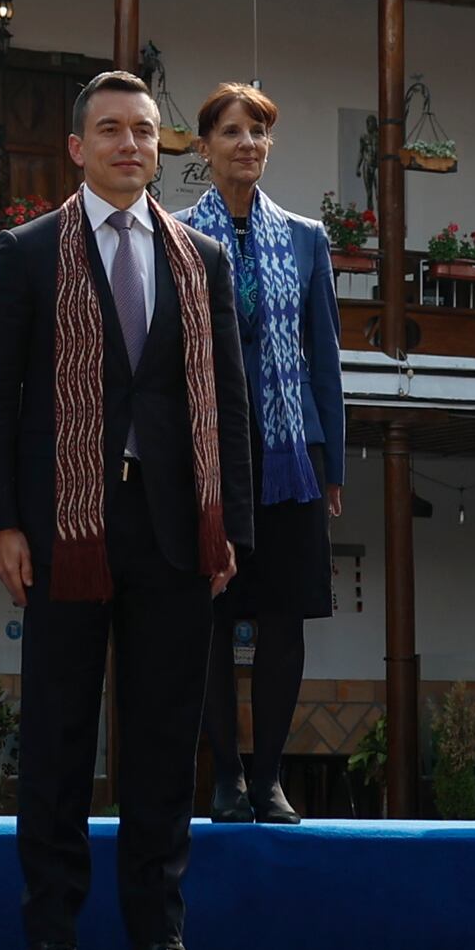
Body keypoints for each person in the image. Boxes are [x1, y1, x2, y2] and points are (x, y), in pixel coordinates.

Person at [0, 67, 255, 950]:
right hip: (63, 528)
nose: (131, 143)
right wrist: (3, 520)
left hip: (176, 533)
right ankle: (53, 943)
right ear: (77, 147)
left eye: (144, 130)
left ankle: (159, 944)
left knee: (165, 749)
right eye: (111, 129)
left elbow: (231, 400)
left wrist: (232, 529)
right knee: (56, 742)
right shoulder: (25, 252)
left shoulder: (198, 256)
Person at [179, 82, 345, 823]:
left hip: (288, 450)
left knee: (284, 617)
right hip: (206, 450)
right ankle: (225, 780)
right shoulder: (176, 233)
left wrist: (331, 460)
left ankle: (271, 776)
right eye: (232, 130)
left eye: (259, 131)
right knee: (210, 615)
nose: (247, 142)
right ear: (204, 146)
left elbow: (324, 356)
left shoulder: (307, 236)